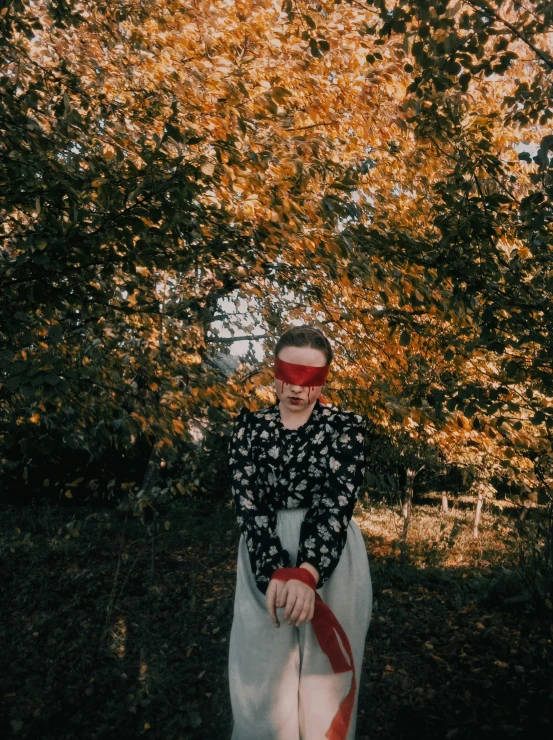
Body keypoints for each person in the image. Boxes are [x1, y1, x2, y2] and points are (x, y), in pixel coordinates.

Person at [227, 325, 372, 740]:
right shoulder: (248, 430)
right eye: (288, 374)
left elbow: (336, 501)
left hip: (331, 556)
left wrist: (309, 572)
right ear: (274, 373)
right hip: (262, 554)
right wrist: (273, 570)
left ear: (324, 378)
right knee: (261, 670)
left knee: (325, 678)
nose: (296, 388)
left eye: (309, 379)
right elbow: (249, 505)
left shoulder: (347, 428)